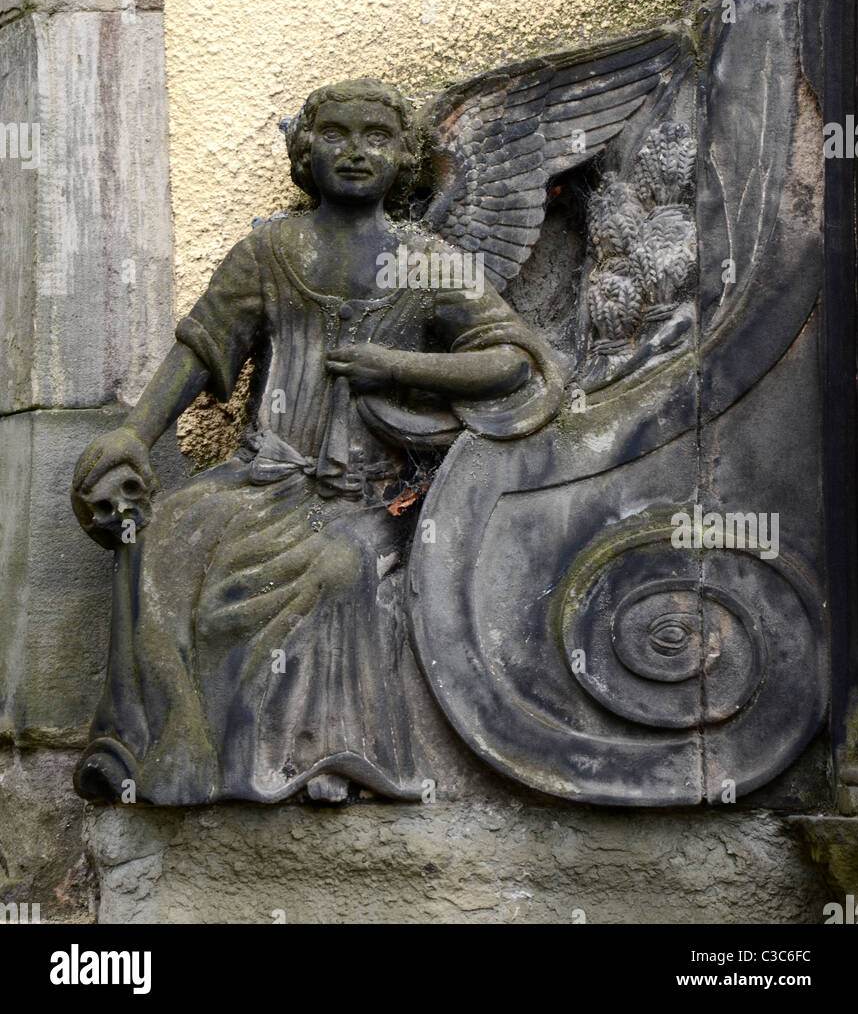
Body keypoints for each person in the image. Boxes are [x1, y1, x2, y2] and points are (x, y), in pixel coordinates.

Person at [71, 79, 562, 804]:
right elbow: (199, 353)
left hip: (375, 496)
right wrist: (132, 436)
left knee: (337, 570)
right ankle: (163, 743)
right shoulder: (268, 252)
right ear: (306, 151)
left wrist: (397, 364)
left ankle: (320, 755)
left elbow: (511, 360)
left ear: (403, 158)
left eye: (377, 136)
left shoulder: (423, 261)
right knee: (164, 533)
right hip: (265, 480)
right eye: (334, 133)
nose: (356, 151)